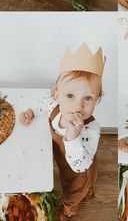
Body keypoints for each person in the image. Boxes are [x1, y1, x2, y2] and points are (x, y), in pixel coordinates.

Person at [19, 43, 106, 220]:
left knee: (74, 191)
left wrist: (73, 136)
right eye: (70, 96)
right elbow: (43, 102)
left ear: (97, 100)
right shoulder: (54, 105)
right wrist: (31, 112)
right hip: (61, 160)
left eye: (88, 98)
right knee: (61, 175)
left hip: (79, 171)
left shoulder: (91, 128)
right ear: (56, 95)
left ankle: (69, 210)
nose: (78, 106)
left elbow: (80, 165)